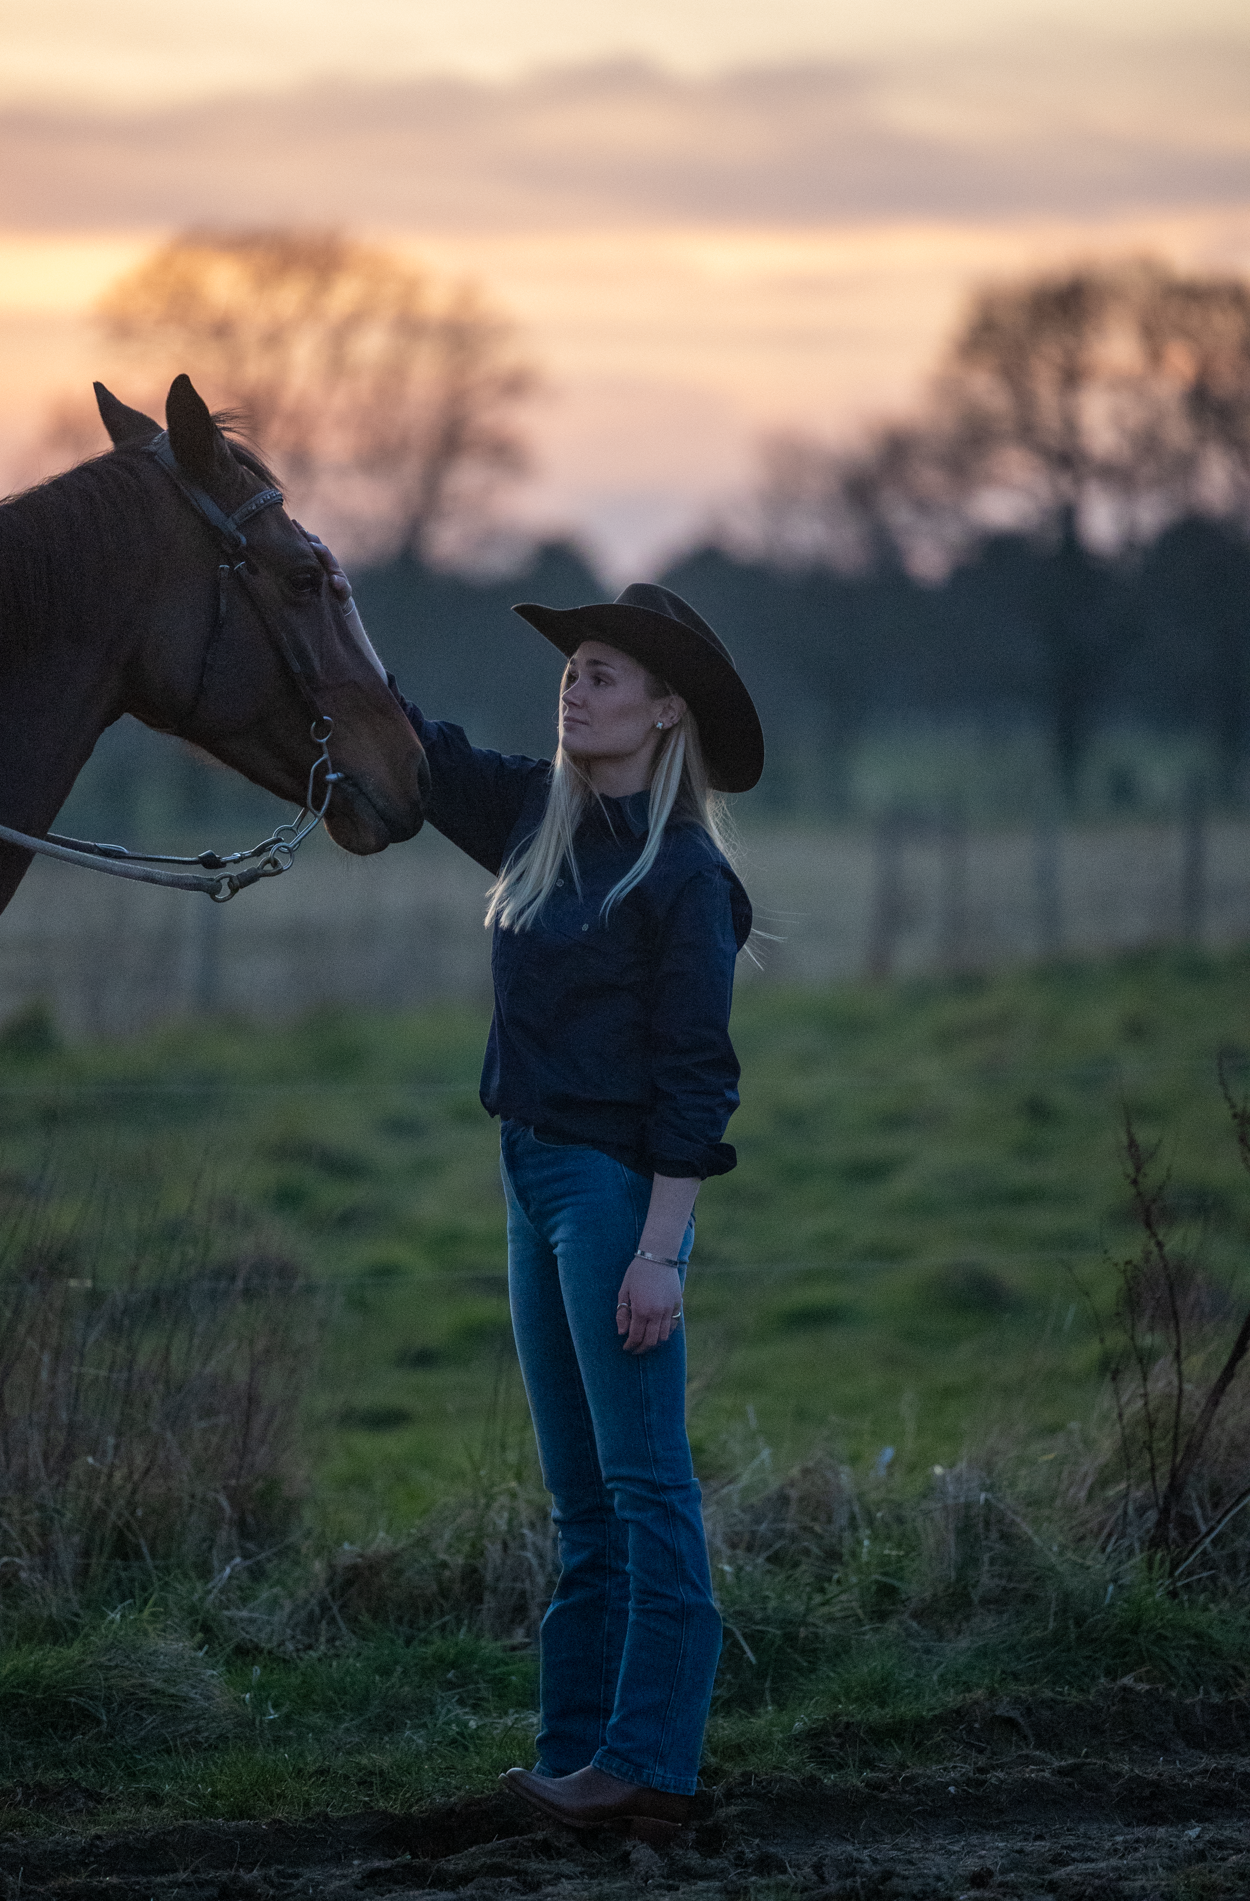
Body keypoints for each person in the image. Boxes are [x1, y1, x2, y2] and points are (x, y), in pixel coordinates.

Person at [305, 535, 763, 1844]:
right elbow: (422, 750)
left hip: (618, 1196)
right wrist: (330, 620)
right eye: (572, 673)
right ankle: (572, 1757)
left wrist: (660, 1252)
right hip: (527, 1179)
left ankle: (653, 1765)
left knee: (646, 1488)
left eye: (604, 674)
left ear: (664, 707)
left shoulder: (685, 879)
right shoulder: (535, 823)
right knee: (581, 1505)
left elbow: (695, 1082)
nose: (576, 689)